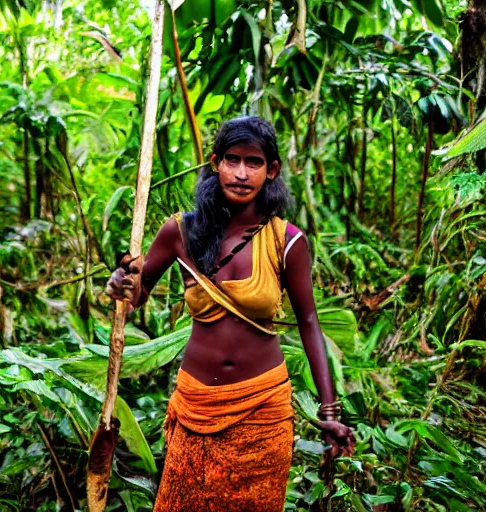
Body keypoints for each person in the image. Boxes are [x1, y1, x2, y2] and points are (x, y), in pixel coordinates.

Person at [106, 116, 354, 512]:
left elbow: (309, 321)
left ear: (271, 170)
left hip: (262, 410)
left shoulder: (287, 241)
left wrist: (329, 410)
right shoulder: (180, 232)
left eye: (253, 162)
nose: (241, 173)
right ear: (215, 162)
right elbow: (136, 293)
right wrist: (121, 280)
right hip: (195, 406)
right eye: (232, 160)